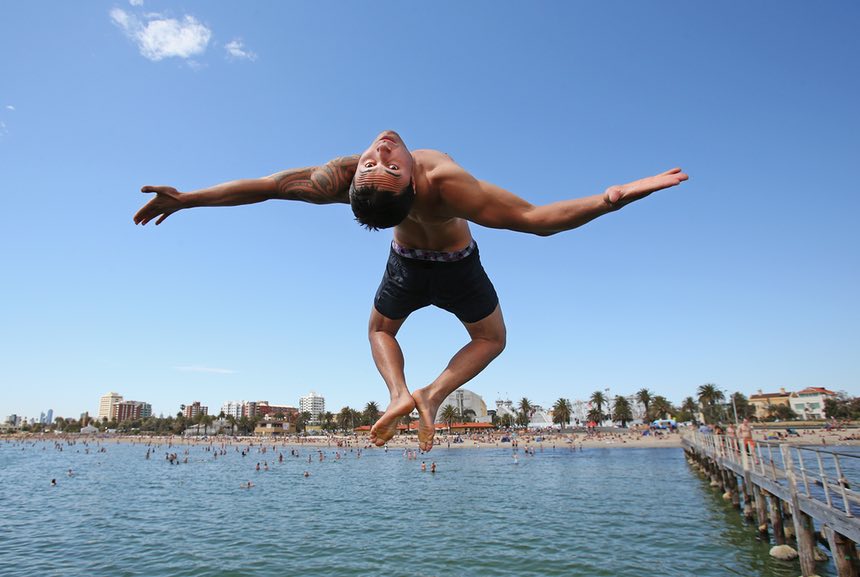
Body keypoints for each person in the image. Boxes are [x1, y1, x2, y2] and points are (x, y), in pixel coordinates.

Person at [135, 130, 688, 452]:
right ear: (400, 185)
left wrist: (187, 200)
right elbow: (537, 219)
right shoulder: (442, 183)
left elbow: (266, 188)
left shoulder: (349, 178)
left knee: (380, 328)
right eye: (381, 164)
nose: (381, 152)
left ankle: (403, 393)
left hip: (404, 265)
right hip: (456, 265)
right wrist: (612, 197)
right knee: (491, 339)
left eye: (382, 162)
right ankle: (426, 394)